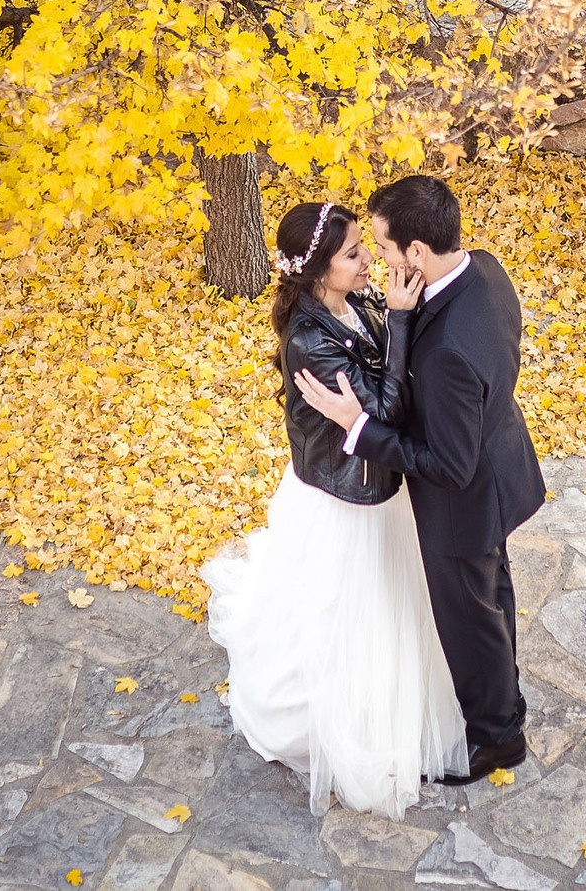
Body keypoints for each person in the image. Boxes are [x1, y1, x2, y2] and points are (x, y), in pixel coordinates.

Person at [201, 201, 470, 817]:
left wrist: (402, 316)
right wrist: (400, 323)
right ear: (320, 270)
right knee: (338, 616)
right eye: (353, 252)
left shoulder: (356, 304)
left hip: (381, 486)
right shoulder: (308, 344)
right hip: (344, 501)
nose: (368, 258)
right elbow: (382, 409)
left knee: (395, 609)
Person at [294, 174, 546, 786]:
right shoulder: (482, 270)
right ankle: (504, 704)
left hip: (462, 503)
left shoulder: (449, 353)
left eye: (381, 247)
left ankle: (496, 741)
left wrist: (358, 427)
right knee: (493, 600)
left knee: (470, 621)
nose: (378, 261)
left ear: (415, 251)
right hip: (500, 466)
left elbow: (446, 465)